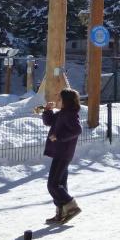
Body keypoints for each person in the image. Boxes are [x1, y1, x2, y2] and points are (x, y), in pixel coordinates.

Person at [41, 88, 83, 224]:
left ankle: (71, 206)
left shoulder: (70, 114)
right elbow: (49, 122)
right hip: (60, 152)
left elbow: (77, 130)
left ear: (66, 101)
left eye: (60, 98)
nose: (58, 100)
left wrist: (59, 137)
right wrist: (48, 110)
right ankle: (61, 213)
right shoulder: (62, 113)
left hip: (63, 153)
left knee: (52, 185)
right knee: (60, 184)